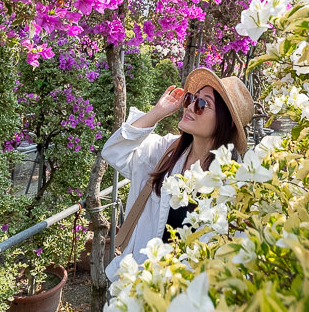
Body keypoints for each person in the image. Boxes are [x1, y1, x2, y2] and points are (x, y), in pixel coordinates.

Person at [101, 67, 253, 281]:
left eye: (202, 104)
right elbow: (114, 152)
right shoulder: (166, 151)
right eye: (191, 98)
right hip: (140, 284)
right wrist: (157, 113)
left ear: (226, 122)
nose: (190, 106)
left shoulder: (233, 185)